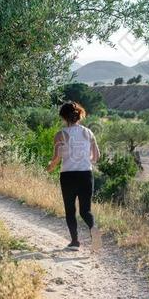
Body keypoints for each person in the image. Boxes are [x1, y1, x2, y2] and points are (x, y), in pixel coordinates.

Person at [47, 101, 102, 251]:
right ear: (79, 115)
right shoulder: (89, 133)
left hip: (68, 176)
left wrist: (50, 167)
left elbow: (57, 158)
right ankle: (94, 232)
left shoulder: (61, 135)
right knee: (86, 211)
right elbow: (96, 157)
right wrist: (84, 159)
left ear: (63, 117)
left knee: (70, 210)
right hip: (86, 174)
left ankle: (75, 242)